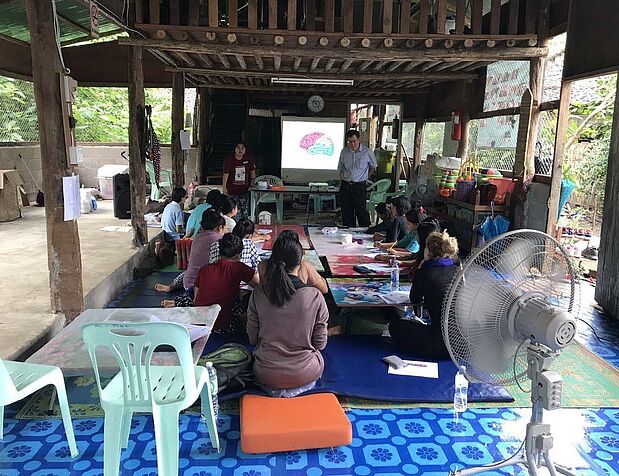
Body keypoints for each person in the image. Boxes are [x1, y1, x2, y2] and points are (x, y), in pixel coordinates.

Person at [247, 235, 329, 397]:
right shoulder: (314, 296)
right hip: (306, 374)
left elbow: (252, 339)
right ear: (301, 261)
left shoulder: (258, 294)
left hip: (265, 373)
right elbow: (320, 344)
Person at [162, 234, 260, 333]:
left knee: (190, 297)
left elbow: (196, 299)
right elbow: (259, 286)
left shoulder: (205, 269)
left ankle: (176, 303)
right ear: (239, 254)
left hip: (200, 323)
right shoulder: (240, 268)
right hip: (224, 326)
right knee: (247, 303)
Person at [388, 231, 460, 359]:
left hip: (440, 345)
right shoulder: (458, 271)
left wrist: (421, 270)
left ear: (429, 251)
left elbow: (414, 299)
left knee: (395, 326)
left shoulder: (425, 272)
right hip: (463, 345)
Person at [155, 208, 225, 294]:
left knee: (190, 271)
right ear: (220, 227)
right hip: (202, 287)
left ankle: (172, 286)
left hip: (187, 284)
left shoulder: (197, 239)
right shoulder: (221, 240)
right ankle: (180, 300)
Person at [257, 230, 328, 294]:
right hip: (299, 305)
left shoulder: (263, 265)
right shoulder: (304, 266)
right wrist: (320, 278)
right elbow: (324, 289)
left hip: (269, 306)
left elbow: (262, 290)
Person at [337, 129, 377, 227]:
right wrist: (341, 180)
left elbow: (373, 166)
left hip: (359, 185)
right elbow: (341, 168)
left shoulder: (367, 152)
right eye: (350, 142)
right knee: (346, 210)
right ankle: (348, 231)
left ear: (359, 140)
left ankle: (366, 232)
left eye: (354, 141)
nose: (352, 144)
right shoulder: (344, 151)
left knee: (361, 210)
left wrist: (366, 177)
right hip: (346, 185)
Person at [222, 141, 256, 220]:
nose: (240, 150)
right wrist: (224, 187)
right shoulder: (229, 160)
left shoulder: (248, 158)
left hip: (244, 189)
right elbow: (225, 174)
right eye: (238, 148)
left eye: (242, 148)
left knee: (244, 209)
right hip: (231, 189)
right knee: (232, 209)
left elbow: (252, 171)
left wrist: (253, 182)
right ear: (234, 149)